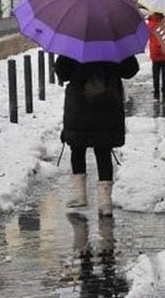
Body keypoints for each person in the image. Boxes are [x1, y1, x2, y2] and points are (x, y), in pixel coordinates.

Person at [54, 54, 140, 216]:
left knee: (77, 149)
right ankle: (105, 202)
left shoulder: (75, 44)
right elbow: (130, 70)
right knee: (103, 150)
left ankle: (79, 196)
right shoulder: (114, 43)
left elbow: (62, 73)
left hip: (80, 104)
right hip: (107, 104)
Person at [145, 11, 165, 99]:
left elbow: (147, 35)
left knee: (155, 72)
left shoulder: (150, 24)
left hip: (155, 52)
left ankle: (156, 91)